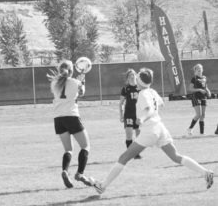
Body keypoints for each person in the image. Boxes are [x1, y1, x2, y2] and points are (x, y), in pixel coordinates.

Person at [93, 68, 214, 194]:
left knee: (124, 157)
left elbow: (149, 110)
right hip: (160, 127)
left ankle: (102, 186)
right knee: (176, 156)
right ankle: (206, 173)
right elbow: (161, 104)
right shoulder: (151, 91)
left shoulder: (143, 93)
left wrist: (143, 117)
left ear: (139, 81)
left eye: (137, 78)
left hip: (150, 130)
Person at [48, 60, 92, 188]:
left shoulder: (54, 83)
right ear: (72, 71)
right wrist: (82, 81)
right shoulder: (75, 82)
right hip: (71, 116)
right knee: (85, 146)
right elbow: (82, 93)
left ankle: (65, 171)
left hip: (58, 119)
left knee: (68, 149)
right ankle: (80, 174)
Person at [119, 69, 141, 159]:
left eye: (133, 75)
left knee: (139, 135)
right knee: (129, 134)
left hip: (138, 115)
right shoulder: (125, 88)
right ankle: (131, 154)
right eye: (129, 75)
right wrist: (121, 115)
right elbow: (121, 103)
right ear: (127, 78)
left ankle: (136, 153)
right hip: (128, 114)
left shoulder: (140, 87)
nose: (132, 77)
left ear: (136, 76)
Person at [187, 64, 211, 136]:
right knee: (198, 114)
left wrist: (208, 91)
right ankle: (190, 128)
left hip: (203, 97)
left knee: (203, 115)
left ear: (202, 69)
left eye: (200, 69)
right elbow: (190, 89)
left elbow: (205, 87)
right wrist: (199, 90)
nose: (199, 70)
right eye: (198, 69)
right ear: (195, 70)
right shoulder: (194, 78)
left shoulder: (204, 77)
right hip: (196, 97)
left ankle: (202, 133)